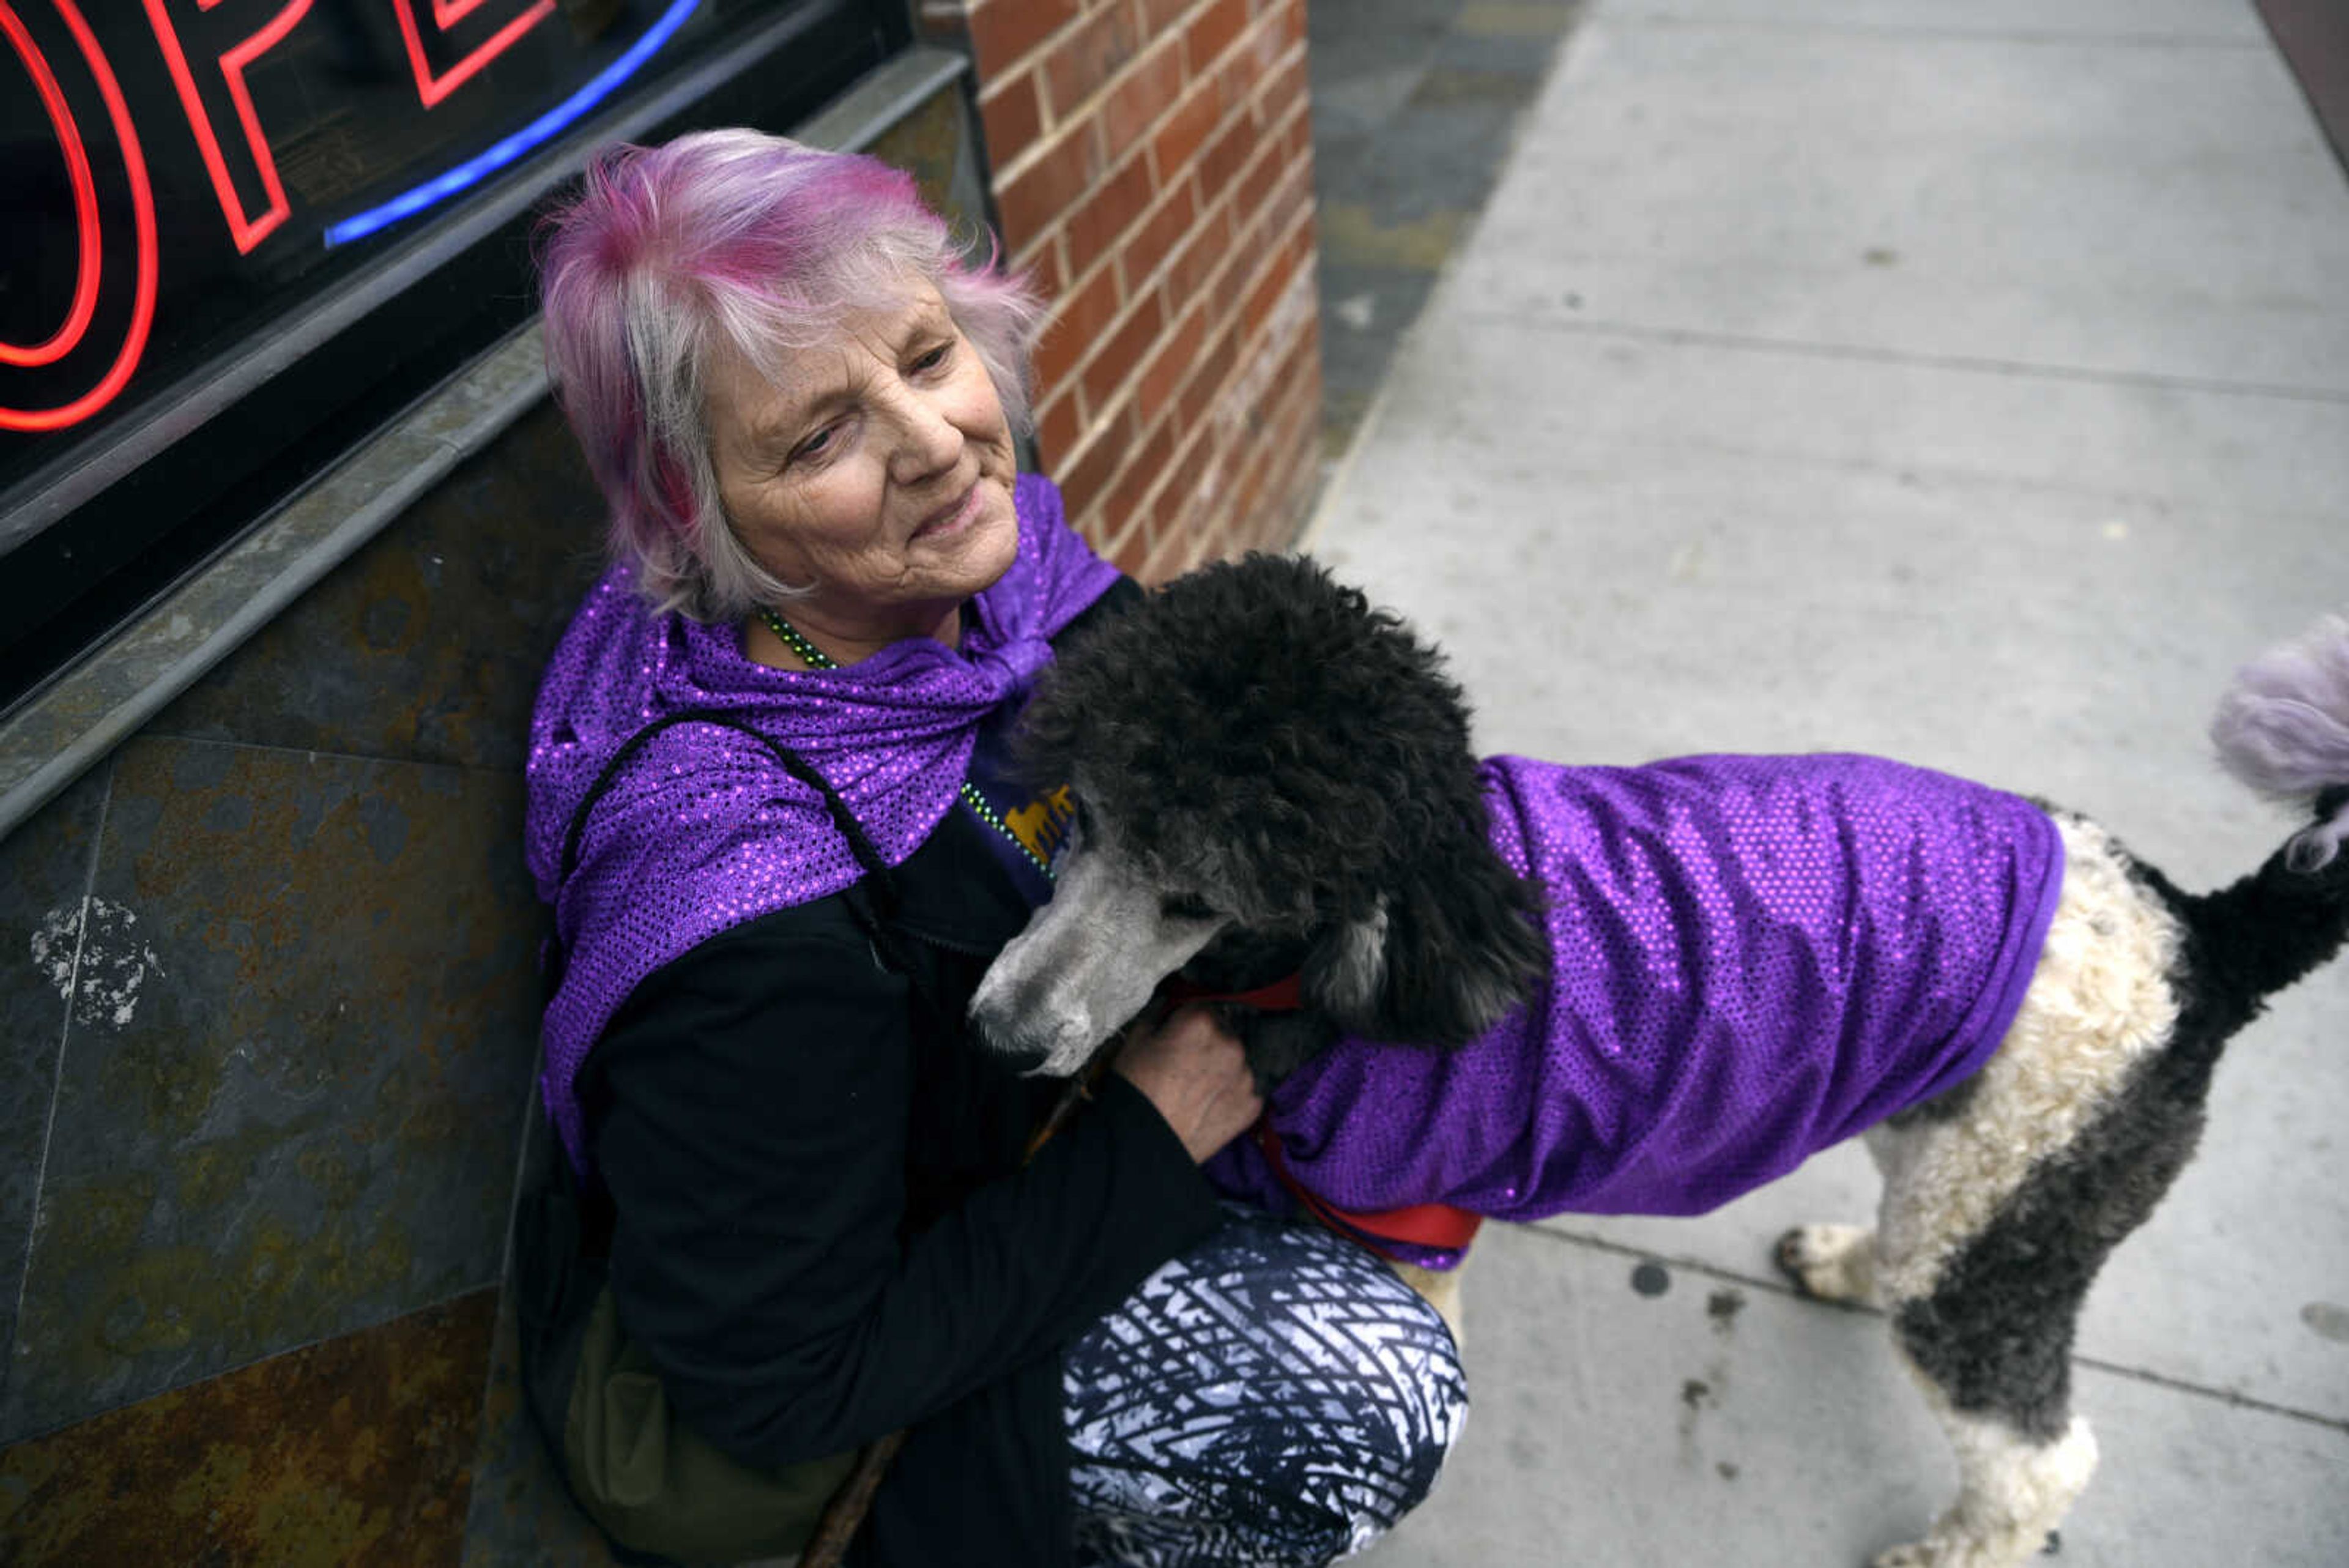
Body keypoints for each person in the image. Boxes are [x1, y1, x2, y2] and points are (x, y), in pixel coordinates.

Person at [517, 128, 1466, 1568]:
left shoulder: (1007, 572)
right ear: (703, 513)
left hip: (1034, 1136)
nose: (935, 441)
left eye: (925, 352)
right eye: (819, 436)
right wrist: (1155, 1133)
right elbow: (780, 1382)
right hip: (884, 1342)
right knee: (1369, 1384)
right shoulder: (743, 902)